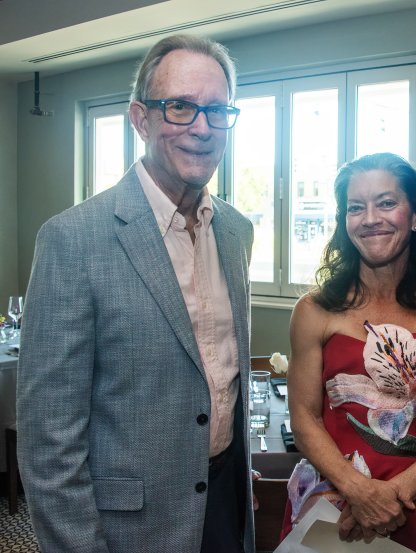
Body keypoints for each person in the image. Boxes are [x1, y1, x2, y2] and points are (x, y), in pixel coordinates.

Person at [17, 34, 257, 553]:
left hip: (225, 506)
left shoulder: (237, 232)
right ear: (139, 118)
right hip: (129, 528)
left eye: (217, 110)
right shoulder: (72, 238)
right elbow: (48, 441)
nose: (202, 127)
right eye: (179, 107)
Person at [282, 152, 416, 552]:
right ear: (345, 222)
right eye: (356, 207)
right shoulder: (314, 311)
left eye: (387, 203)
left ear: (414, 217)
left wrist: (391, 496)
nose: (371, 217)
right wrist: (359, 491)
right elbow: (303, 417)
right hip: (336, 502)